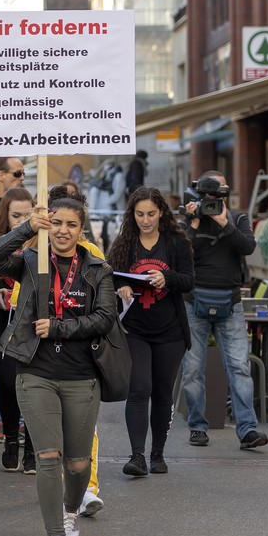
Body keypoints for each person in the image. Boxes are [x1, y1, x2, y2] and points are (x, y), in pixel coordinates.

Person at [0, 189, 116, 536]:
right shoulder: (31, 259)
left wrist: (59, 327)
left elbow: (105, 317)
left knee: (76, 465)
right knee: (47, 457)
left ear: (81, 230)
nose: (62, 231)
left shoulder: (96, 267)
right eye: (56, 222)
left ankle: (71, 510)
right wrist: (26, 227)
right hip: (35, 372)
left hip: (81, 376)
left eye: (70, 225)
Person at [108, 187, 194, 476]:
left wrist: (166, 277)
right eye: (139, 214)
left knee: (161, 393)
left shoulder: (176, 243)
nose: (145, 220)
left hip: (170, 332)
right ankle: (137, 457)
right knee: (139, 388)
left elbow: (189, 281)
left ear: (162, 213)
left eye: (151, 214)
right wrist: (120, 286)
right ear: (132, 215)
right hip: (135, 330)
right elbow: (107, 278)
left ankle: (158, 454)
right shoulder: (124, 243)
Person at [180, 171, 268, 450]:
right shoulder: (189, 219)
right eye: (207, 194)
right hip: (194, 301)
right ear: (198, 194)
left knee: (240, 367)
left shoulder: (238, 218)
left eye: (217, 194)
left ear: (224, 194)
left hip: (230, 302)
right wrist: (193, 223)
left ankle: (247, 430)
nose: (212, 200)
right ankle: (197, 426)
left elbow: (247, 246)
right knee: (193, 369)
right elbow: (181, 255)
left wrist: (223, 222)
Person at [0, 187, 37, 473]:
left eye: (28, 215)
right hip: (2, 321)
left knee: (32, 384)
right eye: (16, 215)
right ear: (6, 215)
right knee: (7, 383)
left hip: (31, 323)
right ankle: (11, 440)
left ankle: (31, 449)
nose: (22, 221)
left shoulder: (42, 242)